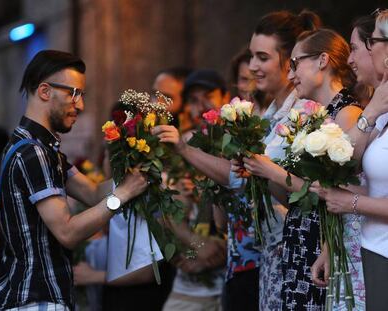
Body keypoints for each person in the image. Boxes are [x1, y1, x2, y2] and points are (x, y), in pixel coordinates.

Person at [152, 10, 322, 310]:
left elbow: (306, 190)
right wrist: (184, 148)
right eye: (252, 57)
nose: (253, 66)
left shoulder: (307, 111)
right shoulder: (269, 114)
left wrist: (189, 151)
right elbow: (239, 176)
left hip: (298, 250)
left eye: (262, 58)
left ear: (290, 60)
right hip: (267, 250)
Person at [0, 50, 148, 310]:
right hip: (36, 299)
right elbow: (67, 232)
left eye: (82, 95)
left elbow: (93, 194)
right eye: (73, 93)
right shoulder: (34, 153)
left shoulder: (41, 149)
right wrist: (123, 194)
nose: (80, 105)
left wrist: (137, 168)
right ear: (45, 91)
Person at [242, 28, 362, 310]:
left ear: (322, 60)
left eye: (295, 63)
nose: (291, 74)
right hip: (300, 237)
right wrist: (261, 170)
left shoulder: (348, 114)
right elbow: (294, 199)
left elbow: (331, 195)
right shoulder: (313, 117)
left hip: (323, 243)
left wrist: (272, 170)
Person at [310, 9, 388, 311]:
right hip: (371, 248)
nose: (367, 51)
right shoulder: (378, 110)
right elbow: (352, 167)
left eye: (373, 42)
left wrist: (349, 203)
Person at [162, 69, 229, 311]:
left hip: (230, 281)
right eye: (193, 100)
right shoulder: (181, 146)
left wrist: (214, 254)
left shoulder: (236, 142)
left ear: (226, 97)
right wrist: (194, 256)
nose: (201, 106)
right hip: (188, 287)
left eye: (208, 96)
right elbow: (167, 221)